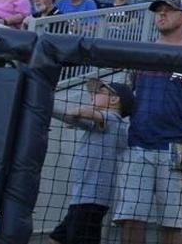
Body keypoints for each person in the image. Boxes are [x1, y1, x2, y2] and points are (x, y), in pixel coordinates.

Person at [113, 0, 182, 244]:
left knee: (173, 226)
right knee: (131, 219)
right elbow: (125, 98)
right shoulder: (141, 53)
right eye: (158, 11)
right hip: (138, 145)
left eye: (169, 10)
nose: (162, 14)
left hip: (178, 149)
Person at [49, 77, 132, 244]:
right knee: (56, 239)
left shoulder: (114, 120)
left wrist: (78, 112)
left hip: (92, 199)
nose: (93, 95)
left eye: (99, 92)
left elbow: (88, 114)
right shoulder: (100, 122)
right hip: (83, 197)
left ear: (115, 99)